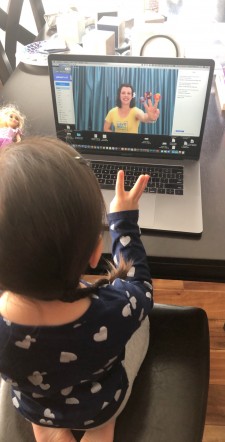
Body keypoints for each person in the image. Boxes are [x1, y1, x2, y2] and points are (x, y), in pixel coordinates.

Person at [0, 136, 153, 442]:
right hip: (99, 402)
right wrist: (122, 221)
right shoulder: (116, 308)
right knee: (143, 322)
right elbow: (140, 285)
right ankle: (100, 427)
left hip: (35, 403)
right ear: (96, 253)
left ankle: (47, 428)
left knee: (33, 398)